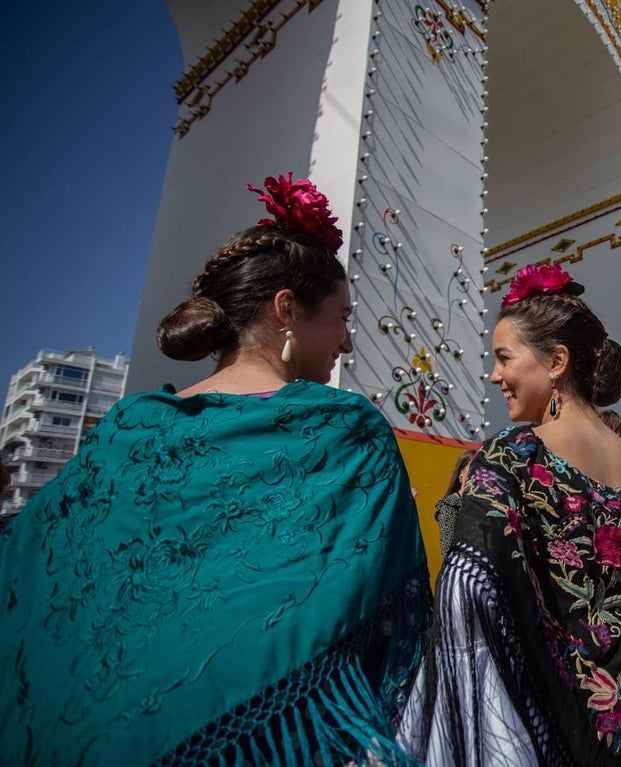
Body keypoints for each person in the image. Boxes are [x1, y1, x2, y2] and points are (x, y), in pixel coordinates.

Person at [0, 174, 430, 765]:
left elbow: (30, 555)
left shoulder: (132, 426)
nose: (348, 341)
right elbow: (367, 604)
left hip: (81, 735)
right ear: (287, 309)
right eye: (341, 316)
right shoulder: (345, 428)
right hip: (251, 741)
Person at [399, 265, 621, 765]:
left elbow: (469, 595)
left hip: (547, 725)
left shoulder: (513, 458)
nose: (494, 376)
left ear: (556, 361)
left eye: (504, 358)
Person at [433, 448, 476, 555]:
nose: (477, 472)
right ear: (461, 472)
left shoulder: (486, 505)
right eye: (473, 467)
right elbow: (447, 548)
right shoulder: (450, 505)